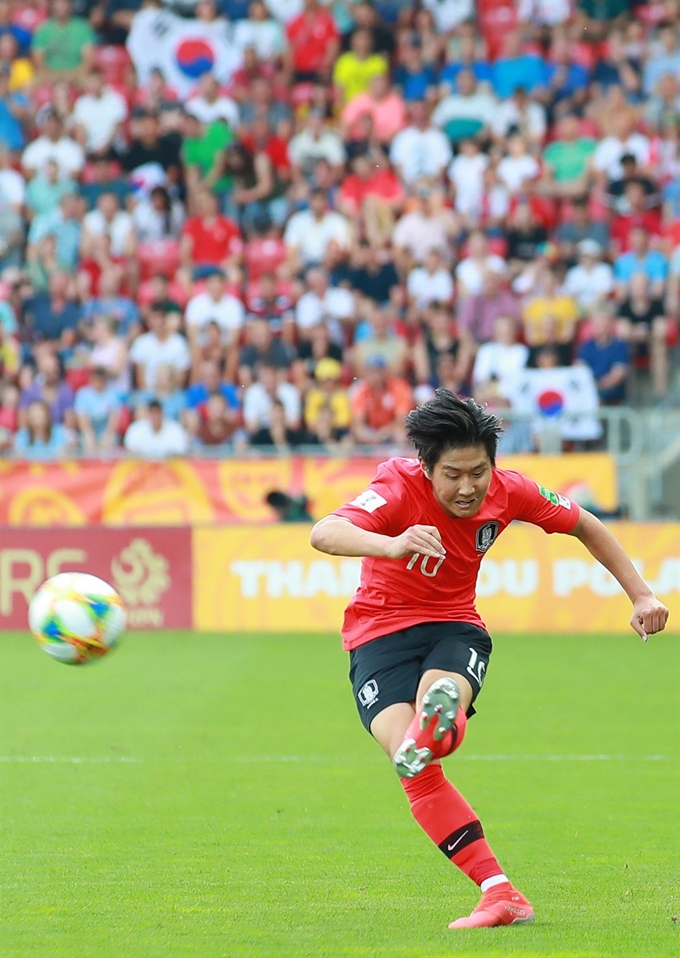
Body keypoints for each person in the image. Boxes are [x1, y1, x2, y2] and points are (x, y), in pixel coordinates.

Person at [309, 390, 669, 930]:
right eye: (452, 473)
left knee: (438, 703)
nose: (468, 487)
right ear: (426, 467)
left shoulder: (510, 490)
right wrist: (392, 543)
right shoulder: (395, 485)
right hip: (377, 636)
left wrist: (641, 594)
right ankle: (499, 892)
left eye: (479, 471)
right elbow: (325, 532)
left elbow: (585, 524)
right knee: (412, 763)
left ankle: (444, 713)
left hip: (454, 626)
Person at [123, 399, 189, 457]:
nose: (155, 416)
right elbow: (129, 453)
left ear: (162, 413)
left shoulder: (175, 430)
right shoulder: (136, 430)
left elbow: (181, 454)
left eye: (157, 413)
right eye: (152, 413)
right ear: (148, 414)